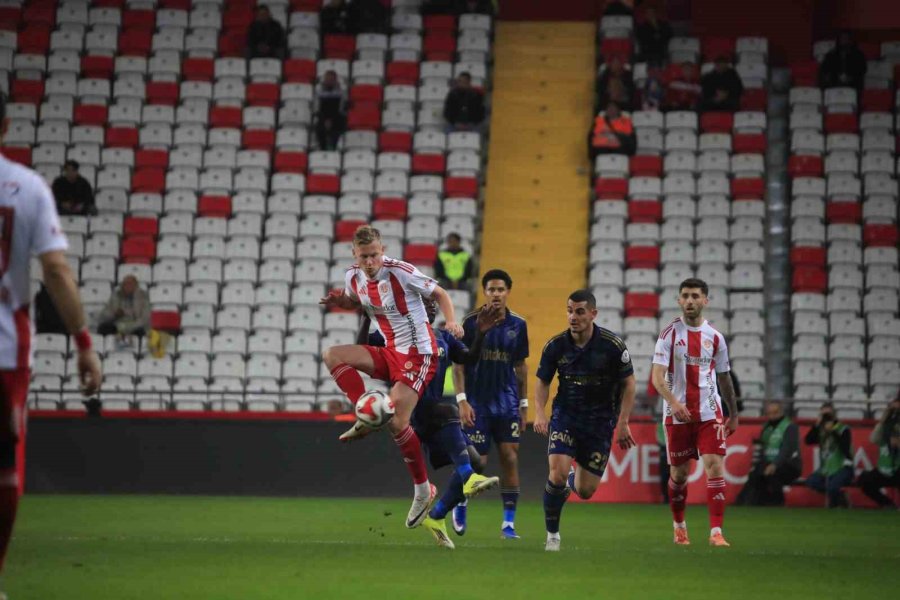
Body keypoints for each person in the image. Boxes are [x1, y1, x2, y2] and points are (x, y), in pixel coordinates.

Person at [0, 93, 102, 597]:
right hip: (2, 350)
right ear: (6, 122)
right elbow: (56, 269)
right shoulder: (26, 188)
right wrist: (83, 341)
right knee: (3, 466)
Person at [320, 225, 463, 529]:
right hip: (389, 350)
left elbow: (440, 293)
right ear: (354, 255)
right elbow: (357, 301)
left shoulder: (400, 271)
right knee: (332, 354)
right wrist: (341, 302)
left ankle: (423, 489)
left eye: (374, 255)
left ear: (382, 251)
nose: (370, 262)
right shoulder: (353, 276)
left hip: (418, 354)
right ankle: (366, 412)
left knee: (397, 421)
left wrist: (451, 321)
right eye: (364, 257)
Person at [357, 301, 503, 549]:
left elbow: (469, 358)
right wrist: (366, 317)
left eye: (434, 304)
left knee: (477, 460)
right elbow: (362, 348)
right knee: (450, 410)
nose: (432, 307)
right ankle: (468, 478)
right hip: (413, 409)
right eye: (425, 303)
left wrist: (481, 333)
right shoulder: (398, 337)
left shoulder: (443, 337)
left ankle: (436, 516)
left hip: (437, 413)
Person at [534, 289, 637, 551]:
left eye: (579, 311)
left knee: (586, 490)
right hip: (566, 416)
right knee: (555, 474)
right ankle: (553, 535)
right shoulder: (556, 346)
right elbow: (543, 381)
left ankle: (572, 482)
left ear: (593, 313)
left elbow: (629, 383)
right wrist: (539, 413)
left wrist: (623, 422)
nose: (573, 316)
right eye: (569, 310)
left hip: (600, 423)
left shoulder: (612, 346)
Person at [651, 278, 739, 547]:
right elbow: (657, 378)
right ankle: (679, 526)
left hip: (709, 413)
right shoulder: (669, 335)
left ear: (705, 301)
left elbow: (724, 378)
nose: (690, 301)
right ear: (679, 300)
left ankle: (716, 532)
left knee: (714, 466)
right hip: (677, 416)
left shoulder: (716, 338)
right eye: (685, 296)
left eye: (695, 296)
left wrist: (732, 413)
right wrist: (674, 403)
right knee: (678, 475)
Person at [452, 269, 528, 540]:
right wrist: (461, 401)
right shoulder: (470, 323)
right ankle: (459, 502)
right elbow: (458, 365)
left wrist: (524, 405)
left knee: (510, 458)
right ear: (484, 292)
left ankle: (508, 524)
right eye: (491, 289)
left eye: (501, 289)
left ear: (508, 291)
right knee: (478, 463)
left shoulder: (518, 325)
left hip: (507, 403)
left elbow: (520, 367)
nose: (496, 294)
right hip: (477, 403)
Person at [735, 401, 801, 506]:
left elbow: (787, 449)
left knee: (771, 473)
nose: (771, 416)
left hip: (790, 464)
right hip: (769, 463)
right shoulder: (766, 427)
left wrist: (774, 464)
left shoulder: (790, 427)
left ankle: (777, 501)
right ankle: (750, 501)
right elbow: (763, 448)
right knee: (756, 473)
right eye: (769, 413)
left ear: (781, 412)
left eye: (774, 412)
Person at [804, 402, 854, 508]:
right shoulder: (821, 430)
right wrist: (816, 425)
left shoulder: (843, 429)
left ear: (834, 415)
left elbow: (845, 448)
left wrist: (833, 431)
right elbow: (808, 441)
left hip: (842, 466)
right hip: (825, 468)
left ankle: (834, 503)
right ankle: (841, 496)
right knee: (811, 481)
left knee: (833, 487)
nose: (826, 418)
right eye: (824, 415)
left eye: (828, 415)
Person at [856, 396, 899, 508]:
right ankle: (887, 504)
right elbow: (873, 439)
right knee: (864, 481)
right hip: (884, 469)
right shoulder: (885, 428)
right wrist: (882, 420)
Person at [96, 275, 150, 342]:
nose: (127, 286)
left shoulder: (143, 297)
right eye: (125, 284)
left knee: (140, 332)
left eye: (130, 284)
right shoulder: (116, 295)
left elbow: (144, 319)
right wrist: (114, 314)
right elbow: (103, 315)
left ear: (136, 286)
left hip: (135, 326)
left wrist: (126, 328)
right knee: (103, 328)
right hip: (117, 326)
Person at [314, 70, 347, 151]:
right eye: (327, 79)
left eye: (331, 80)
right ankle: (323, 149)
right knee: (320, 128)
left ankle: (334, 148)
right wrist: (325, 120)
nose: (329, 81)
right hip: (323, 117)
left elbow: (341, 109)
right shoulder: (319, 91)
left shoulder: (341, 92)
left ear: (335, 80)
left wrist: (331, 120)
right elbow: (317, 108)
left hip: (337, 118)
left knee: (339, 124)